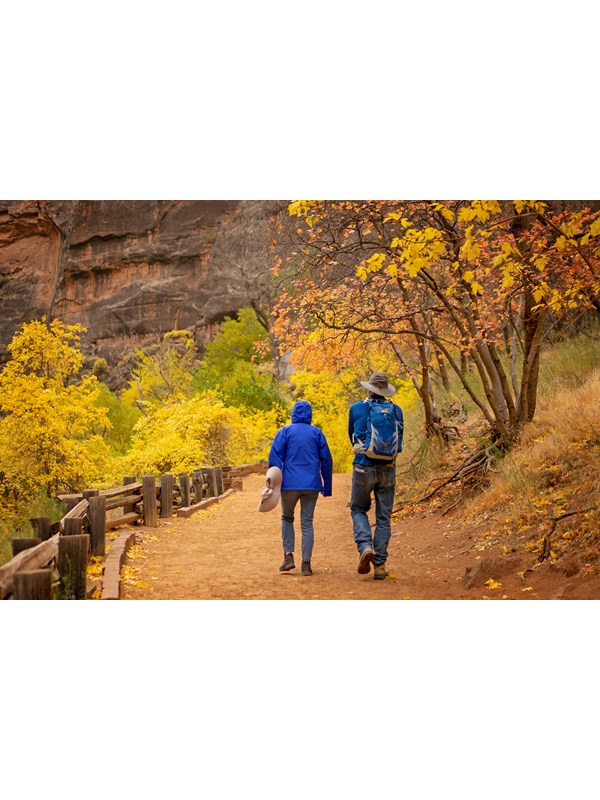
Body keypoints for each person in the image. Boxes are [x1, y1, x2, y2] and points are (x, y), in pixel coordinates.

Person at [348, 372, 404, 580]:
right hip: (388, 467)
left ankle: (364, 546)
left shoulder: (356, 408)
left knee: (358, 508)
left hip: (363, 466)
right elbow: (400, 442)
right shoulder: (396, 411)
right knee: (383, 518)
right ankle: (379, 566)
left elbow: (351, 436)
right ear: (385, 391)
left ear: (370, 389)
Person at [268, 400, 333, 576]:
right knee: (307, 523)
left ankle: (288, 556)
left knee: (287, 518)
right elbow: (326, 459)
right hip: (311, 485)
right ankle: (306, 563)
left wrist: (274, 481)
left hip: (289, 484)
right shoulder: (317, 433)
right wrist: (327, 487)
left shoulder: (285, 432)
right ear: (310, 415)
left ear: (293, 414)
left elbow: (274, 456)